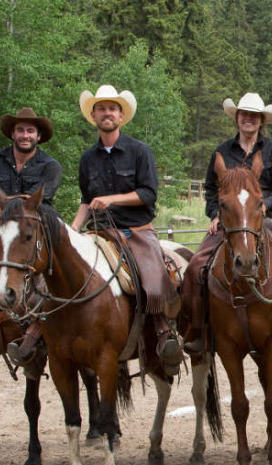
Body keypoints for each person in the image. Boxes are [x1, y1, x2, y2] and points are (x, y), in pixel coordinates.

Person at [180, 92, 272, 355]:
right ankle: (197, 330)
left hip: (267, 217)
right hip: (230, 222)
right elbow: (211, 190)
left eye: (254, 115)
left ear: (261, 121)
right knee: (196, 267)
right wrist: (215, 215)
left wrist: (267, 203)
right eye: (244, 114)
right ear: (237, 118)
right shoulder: (221, 152)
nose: (249, 119)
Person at [71, 84, 184, 377]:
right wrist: (72, 230)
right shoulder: (87, 158)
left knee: (153, 272)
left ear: (121, 115)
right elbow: (86, 200)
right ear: (93, 115)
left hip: (135, 228)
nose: (106, 113)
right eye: (101, 109)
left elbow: (148, 193)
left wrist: (111, 199)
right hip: (97, 230)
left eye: (112, 109)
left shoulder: (139, 151)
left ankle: (162, 330)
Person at [0, 107, 62, 374]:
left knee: (52, 277)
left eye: (30, 130)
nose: (25, 135)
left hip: (33, 230)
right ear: (13, 133)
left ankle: (41, 329)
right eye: (20, 130)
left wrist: (4, 203)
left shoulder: (50, 166)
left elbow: (37, 203)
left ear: (39, 135)